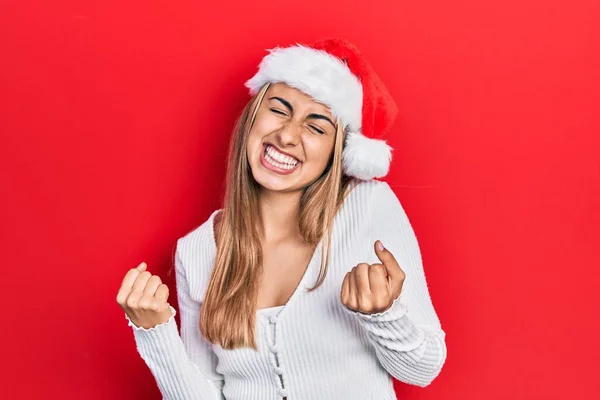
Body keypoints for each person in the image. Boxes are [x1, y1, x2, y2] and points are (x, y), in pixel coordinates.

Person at [116, 37, 447, 400]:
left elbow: (423, 370)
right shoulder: (196, 251)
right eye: (279, 109)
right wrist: (156, 332)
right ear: (252, 117)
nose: (288, 135)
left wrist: (383, 315)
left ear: (336, 154)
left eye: (316, 127)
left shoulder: (367, 207)